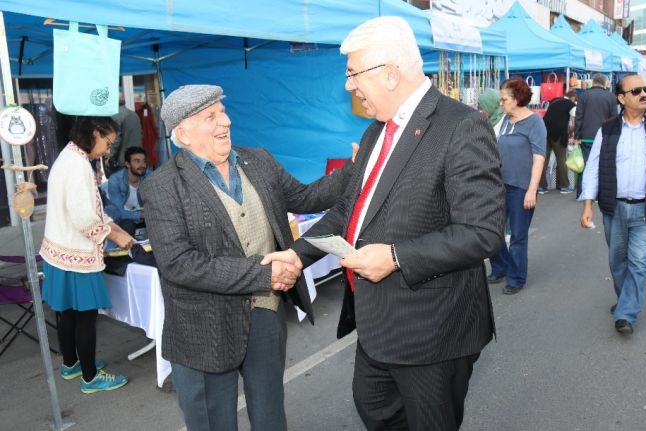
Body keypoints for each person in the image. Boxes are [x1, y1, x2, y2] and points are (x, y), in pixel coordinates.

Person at [263, 16, 505, 430]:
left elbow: (482, 232)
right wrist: (296, 254)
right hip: (378, 326)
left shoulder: (461, 126)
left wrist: (395, 256)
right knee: (375, 408)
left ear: (390, 74)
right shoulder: (377, 132)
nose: (348, 87)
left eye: (353, 74)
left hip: (433, 331)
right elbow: (348, 212)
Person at [140, 84, 352, 431]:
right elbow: (179, 263)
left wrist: (355, 168)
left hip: (264, 316)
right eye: (211, 116)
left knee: (270, 414)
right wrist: (263, 275)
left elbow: (309, 196)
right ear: (184, 131)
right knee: (213, 421)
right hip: (203, 329)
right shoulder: (162, 187)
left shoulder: (258, 161)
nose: (226, 121)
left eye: (222, 111)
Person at [579, 74, 646, 335]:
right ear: (621, 98)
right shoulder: (608, 128)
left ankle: (626, 313)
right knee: (617, 263)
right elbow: (593, 168)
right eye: (636, 91)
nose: (644, 94)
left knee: (639, 263)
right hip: (614, 208)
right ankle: (626, 298)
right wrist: (587, 204)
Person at [40, 116, 134, 393]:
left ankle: (71, 364)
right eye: (107, 143)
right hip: (76, 254)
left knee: (67, 313)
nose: (107, 150)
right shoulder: (79, 165)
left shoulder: (69, 155)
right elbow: (85, 218)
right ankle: (91, 377)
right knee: (85, 317)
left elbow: (87, 210)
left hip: (58, 249)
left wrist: (112, 225)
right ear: (95, 133)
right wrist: (116, 235)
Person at [487, 77, 546, 294]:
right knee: (492, 230)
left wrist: (532, 190)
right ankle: (500, 266)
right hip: (498, 185)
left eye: (504, 99)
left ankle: (516, 277)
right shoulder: (503, 120)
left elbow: (539, 157)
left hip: (521, 187)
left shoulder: (535, 122)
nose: (500, 103)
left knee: (518, 236)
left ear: (517, 99)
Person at [574, 73, 618, 198]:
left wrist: (577, 135)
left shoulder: (583, 95)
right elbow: (614, 118)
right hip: (604, 136)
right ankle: (599, 195)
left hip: (586, 136)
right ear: (605, 83)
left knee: (585, 165)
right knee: (602, 166)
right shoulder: (610, 97)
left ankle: (582, 193)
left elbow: (579, 117)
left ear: (592, 82)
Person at [538, 90, 577, 194]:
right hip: (559, 134)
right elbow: (574, 123)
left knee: (543, 160)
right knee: (561, 160)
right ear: (573, 97)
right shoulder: (571, 104)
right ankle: (564, 186)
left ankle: (541, 186)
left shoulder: (554, 101)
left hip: (544, 132)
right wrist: (571, 133)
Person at [107, 146, 153, 233]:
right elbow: (119, 212)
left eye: (144, 161)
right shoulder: (115, 180)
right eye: (137, 161)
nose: (142, 165)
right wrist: (141, 215)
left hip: (146, 214)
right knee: (127, 225)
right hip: (126, 217)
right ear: (127, 164)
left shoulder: (149, 176)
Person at [106, 103, 143, 176]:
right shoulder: (133, 114)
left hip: (124, 159)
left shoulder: (116, 115)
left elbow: (116, 139)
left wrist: (109, 157)